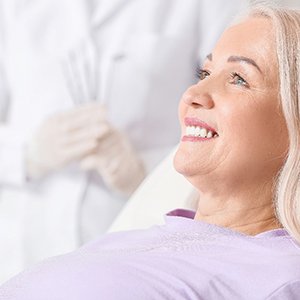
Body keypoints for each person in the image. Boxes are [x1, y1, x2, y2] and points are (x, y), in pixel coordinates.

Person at [1, 3, 300, 299]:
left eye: (239, 79)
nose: (192, 93)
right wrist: (26, 155)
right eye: (204, 73)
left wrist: (138, 170)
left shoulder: (276, 278)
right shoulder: (124, 244)